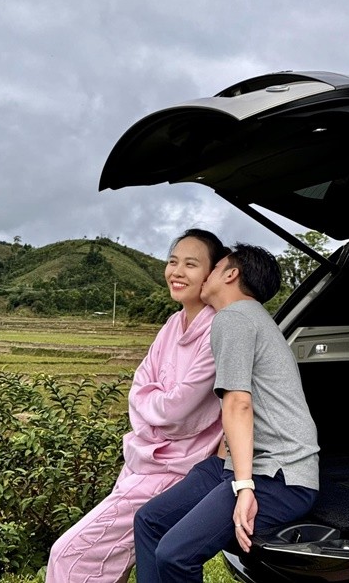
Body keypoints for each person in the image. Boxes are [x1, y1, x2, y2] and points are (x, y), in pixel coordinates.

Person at [45, 229, 229, 583]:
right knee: (114, 561)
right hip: (143, 458)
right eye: (173, 261)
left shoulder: (215, 330)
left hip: (173, 468)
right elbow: (140, 387)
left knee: (69, 556)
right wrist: (157, 403)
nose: (177, 271)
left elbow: (178, 409)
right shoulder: (173, 324)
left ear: (212, 274)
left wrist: (154, 403)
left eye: (191, 264)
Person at [133, 243, 320, 583]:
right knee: (149, 520)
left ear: (231, 274)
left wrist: (245, 487)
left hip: (277, 476)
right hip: (236, 465)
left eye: (214, 267)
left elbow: (238, 403)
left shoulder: (233, 317)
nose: (205, 275)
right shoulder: (251, 318)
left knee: (174, 554)